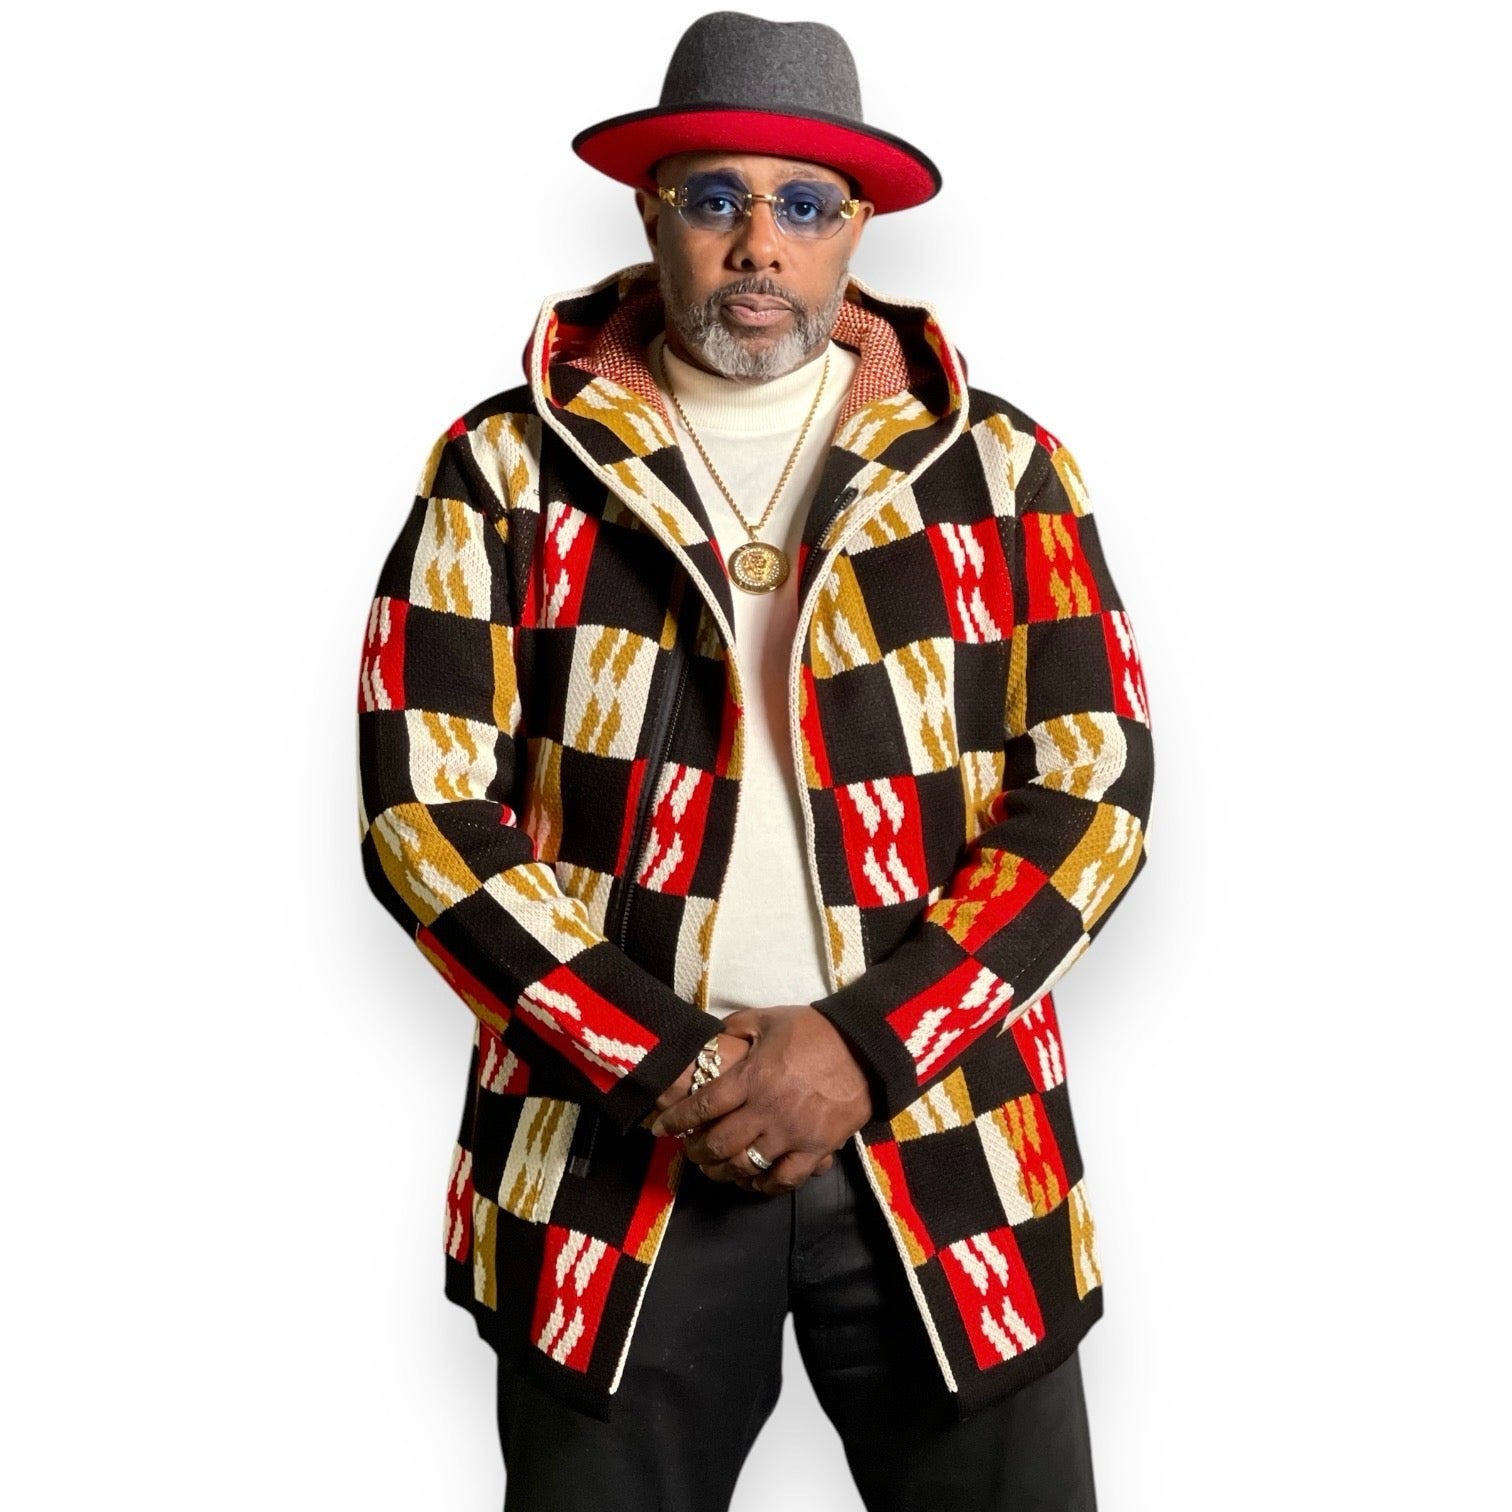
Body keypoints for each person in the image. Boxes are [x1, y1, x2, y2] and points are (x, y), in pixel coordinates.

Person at [356, 11, 1154, 1510]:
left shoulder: (1001, 470)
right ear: (651, 210)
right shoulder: (505, 467)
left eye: (804, 205)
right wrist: (674, 1062)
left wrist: (864, 1048)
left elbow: (1092, 792)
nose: (759, 246)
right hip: (611, 1158)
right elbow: (425, 815)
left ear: (858, 228)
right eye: (717, 198)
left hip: (950, 1140)